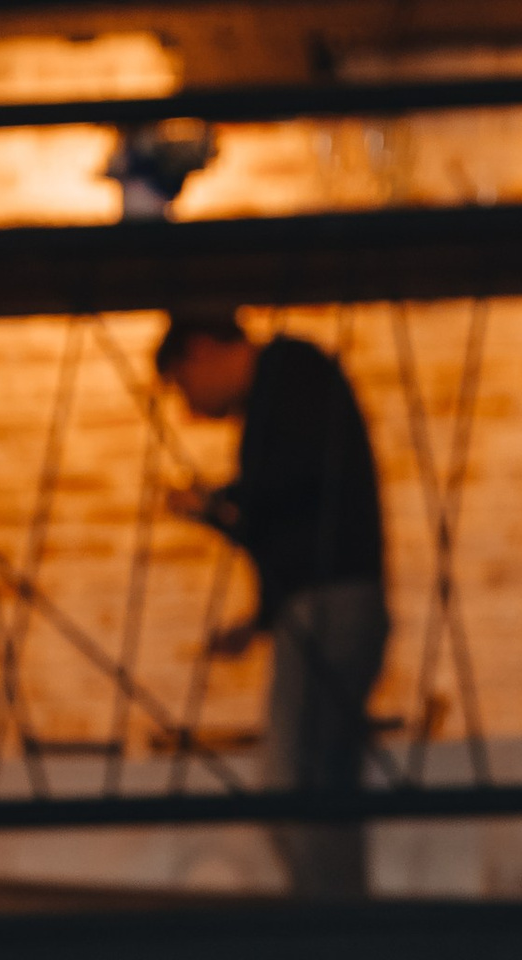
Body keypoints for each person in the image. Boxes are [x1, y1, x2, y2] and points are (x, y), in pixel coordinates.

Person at [158, 309, 387, 903]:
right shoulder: (291, 383)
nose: (191, 407)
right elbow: (294, 522)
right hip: (325, 604)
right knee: (313, 777)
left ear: (202, 351)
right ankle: (336, 911)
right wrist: (259, 618)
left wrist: (218, 501)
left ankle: (334, 918)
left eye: (184, 386)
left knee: (297, 778)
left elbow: (290, 495)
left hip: (330, 607)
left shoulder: (291, 375)